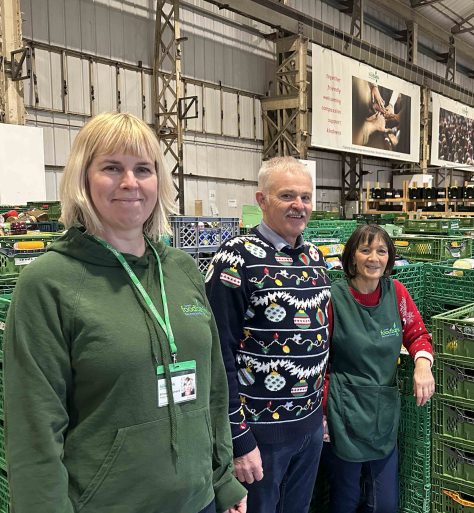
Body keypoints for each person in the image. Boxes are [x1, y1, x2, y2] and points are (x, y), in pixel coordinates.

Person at [4, 111, 247, 513]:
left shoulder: (182, 269)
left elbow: (213, 387)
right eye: (112, 168)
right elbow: (34, 427)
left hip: (198, 502)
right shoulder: (49, 283)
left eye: (143, 169)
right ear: (83, 178)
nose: (130, 183)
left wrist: (222, 478)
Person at [206, 156, 329, 513]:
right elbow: (218, 353)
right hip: (260, 436)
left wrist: (318, 416)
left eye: (305, 197)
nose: (299, 205)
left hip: (308, 430)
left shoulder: (315, 258)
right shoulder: (235, 259)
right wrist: (238, 438)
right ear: (261, 200)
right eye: (287, 195)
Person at [324, 224, 434, 513]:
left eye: (381, 251)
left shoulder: (395, 293)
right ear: (351, 258)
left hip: (382, 412)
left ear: (389, 258)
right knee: (345, 500)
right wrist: (322, 413)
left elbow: (417, 333)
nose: (374, 258)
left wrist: (423, 364)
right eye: (365, 250)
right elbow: (320, 359)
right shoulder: (334, 298)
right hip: (344, 412)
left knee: (384, 503)